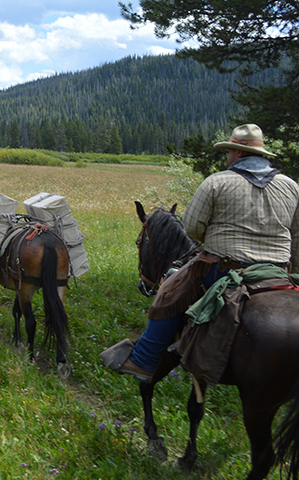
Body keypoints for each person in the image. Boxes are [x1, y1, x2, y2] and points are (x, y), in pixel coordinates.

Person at [107, 123, 299, 382]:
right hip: (277, 273)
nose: (227, 157)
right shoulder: (290, 186)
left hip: (225, 269)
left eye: (229, 151)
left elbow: (192, 228)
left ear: (238, 153)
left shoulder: (217, 182)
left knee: (171, 290)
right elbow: (295, 232)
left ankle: (143, 359)